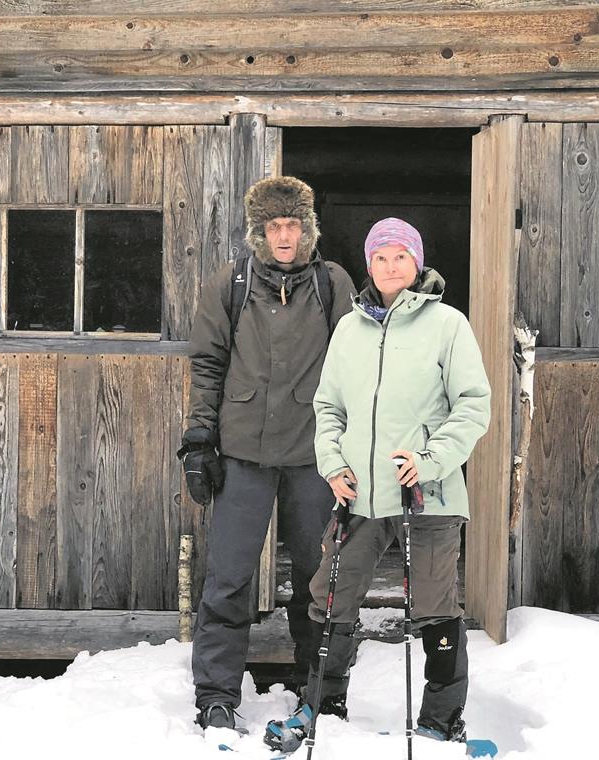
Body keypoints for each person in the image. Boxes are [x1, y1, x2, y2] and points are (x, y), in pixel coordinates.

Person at [265, 217, 491, 751]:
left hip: (426, 494)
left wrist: (431, 459)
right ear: (369, 265)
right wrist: (333, 465)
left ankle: (440, 719)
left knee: (436, 604)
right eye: (381, 257)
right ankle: (324, 704)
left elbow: (473, 405)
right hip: (359, 494)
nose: (391, 266)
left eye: (401, 256)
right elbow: (328, 407)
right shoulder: (350, 328)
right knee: (331, 595)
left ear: (417, 264)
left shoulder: (448, 325)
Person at [179, 176, 356, 731]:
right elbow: (207, 365)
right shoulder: (230, 284)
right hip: (241, 455)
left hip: (313, 456)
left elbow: (356, 370)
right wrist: (198, 443)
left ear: (308, 229)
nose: (285, 236)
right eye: (274, 226)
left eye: (294, 225)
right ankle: (215, 695)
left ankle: (322, 692)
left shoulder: (332, 285)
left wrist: (355, 451)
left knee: (317, 577)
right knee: (229, 578)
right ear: (259, 232)